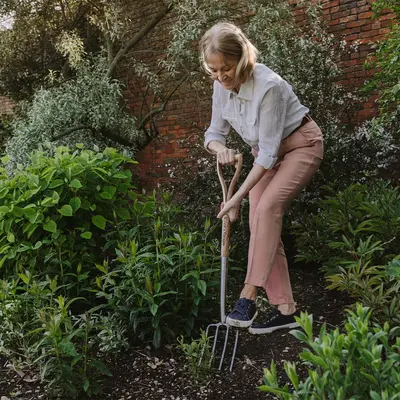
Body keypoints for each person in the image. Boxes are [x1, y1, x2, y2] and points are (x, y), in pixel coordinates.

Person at [199, 22, 324, 334]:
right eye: (213, 70)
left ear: (242, 59)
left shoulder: (269, 86)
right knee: (260, 221)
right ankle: (287, 310)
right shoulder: (220, 86)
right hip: (265, 156)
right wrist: (220, 150)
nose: (220, 77)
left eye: (226, 68)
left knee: (267, 209)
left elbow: (268, 153)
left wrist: (235, 199)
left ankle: (248, 296)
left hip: (301, 145)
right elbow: (213, 134)